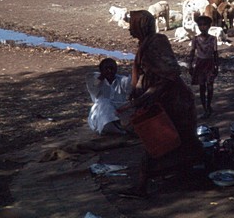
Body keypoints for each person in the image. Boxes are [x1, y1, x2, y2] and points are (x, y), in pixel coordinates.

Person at [118, 10, 203, 198]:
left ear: (141, 26)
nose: (130, 29)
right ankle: (191, 172)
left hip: (171, 101)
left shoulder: (155, 44)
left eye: (132, 25)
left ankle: (142, 186)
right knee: (179, 139)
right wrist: (137, 90)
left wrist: (147, 95)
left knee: (157, 140)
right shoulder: (146, 43)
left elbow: (170, 73)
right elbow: (148, 73)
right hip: (164, 99)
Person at [85, 58, 131, 135]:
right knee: (105, 102)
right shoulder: (95, 82)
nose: (110, 71)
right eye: (106, 69)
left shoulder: (122, 80)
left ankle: (119, 126)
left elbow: (131, 86)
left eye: (112, 68)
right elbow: (93, 87)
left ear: (116, 69)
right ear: (101, 70)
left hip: (119, 111)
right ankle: (116, 130)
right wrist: (101, 77)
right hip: (101, 113)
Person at [188, 15, 219, 119]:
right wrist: (190, 65)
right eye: (200, 25)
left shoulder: (213, 39)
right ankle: (205, 108)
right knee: (202, 87)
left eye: (205, 25)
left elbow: (215, 53)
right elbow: (192, 52)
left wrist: (217, 66)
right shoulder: (196, 39)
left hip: (210, 63)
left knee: (210, 86)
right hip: (200, 64)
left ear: (209, 26)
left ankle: (208, 105)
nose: (202, 27)